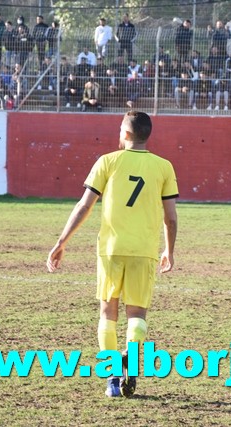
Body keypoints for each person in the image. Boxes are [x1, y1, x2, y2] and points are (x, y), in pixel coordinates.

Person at [47, 111, 178, 399]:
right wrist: (169, 249)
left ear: (127, 134)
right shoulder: (164, 167)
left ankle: (113, 378)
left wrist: (62, 241)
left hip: (111, 250)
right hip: (144, 251)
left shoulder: (106, 161)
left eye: (120, 128)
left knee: (108, 313)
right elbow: (171, 218)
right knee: (137, 315)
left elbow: (84, 205)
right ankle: (131, 363)